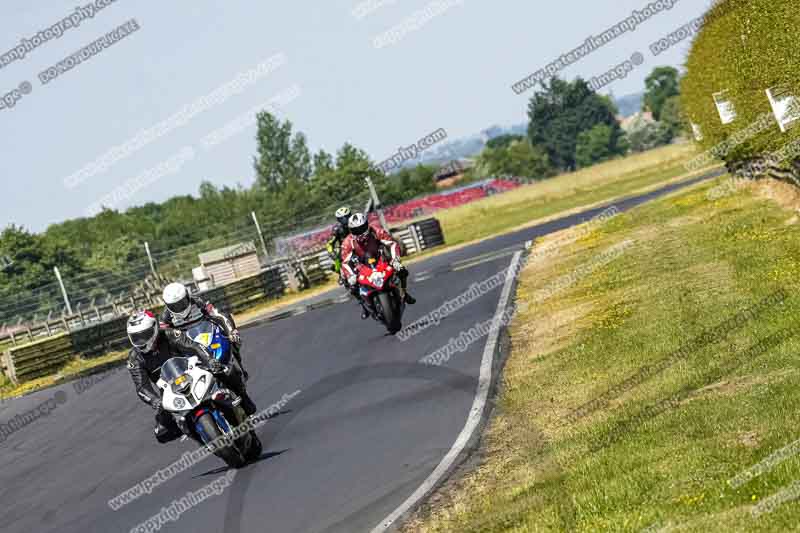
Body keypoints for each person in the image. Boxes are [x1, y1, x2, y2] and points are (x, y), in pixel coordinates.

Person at [125, 310, 257, 444]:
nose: (140, 341)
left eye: (144, 335)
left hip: (193, 371)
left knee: (226, 372)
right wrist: (155, 401)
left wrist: (210, 361)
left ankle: (243, 401)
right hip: (169, 389)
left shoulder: (170, 334)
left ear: (154, 328)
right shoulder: (134, 359)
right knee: (161, 432)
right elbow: (141, 386)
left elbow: (194, 346)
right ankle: (197, 436)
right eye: (136, 337)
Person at [160, 282, 246, 379]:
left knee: (231, 335)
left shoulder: (198, 301)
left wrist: (231, 331)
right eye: (174, 306)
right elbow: (166, 338)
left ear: (187, 296)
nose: (179, 308)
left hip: (206, 330)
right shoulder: (165, 317)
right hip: (188, 341)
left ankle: (239, 363)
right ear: (167, 305)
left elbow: (217, 314)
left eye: (182, 303)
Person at [341, 213, 416, 317]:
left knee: (402, 270)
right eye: (356, 230)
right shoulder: (347, 242)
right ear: (350, 230)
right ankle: (365, 306)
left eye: (362, 228)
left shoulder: (377, 231)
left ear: (367, 225)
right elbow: (344, 262)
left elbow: (392, 244)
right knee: (351, 285)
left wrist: (396, 260)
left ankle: (404, 293)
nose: (360, 232)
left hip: (380, 259)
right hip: (361, 265)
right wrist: (350, 275)